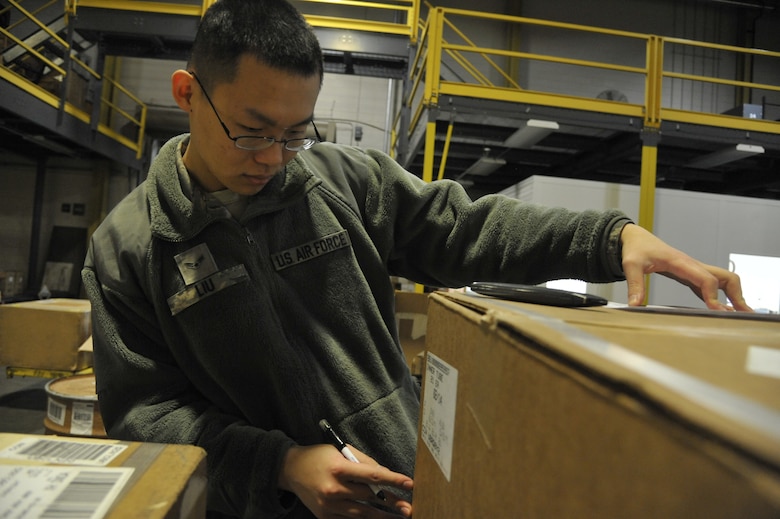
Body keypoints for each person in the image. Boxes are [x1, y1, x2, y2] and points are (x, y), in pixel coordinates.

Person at [81, 0, 751, 517]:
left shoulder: (344, 184)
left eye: (295, 134)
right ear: (188, 93)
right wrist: (282, 465)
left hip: (402, 491)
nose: (273, 159)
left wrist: (611, 238)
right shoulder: (128, 249)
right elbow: (148, 415)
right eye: (252, 132)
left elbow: (467, 229)